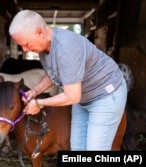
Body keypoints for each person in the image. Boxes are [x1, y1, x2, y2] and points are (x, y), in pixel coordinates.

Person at [8, 10, 127, 150]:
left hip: (105, 95)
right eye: (21, 45)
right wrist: (35, 91)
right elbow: (54, 72)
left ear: (39, 32)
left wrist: (39, 103)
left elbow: (72, 96)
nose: (24, 49)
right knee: (77, 148)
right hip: (83, 96)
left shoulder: (66, 49)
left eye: (26, 43)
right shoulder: (44, 46)